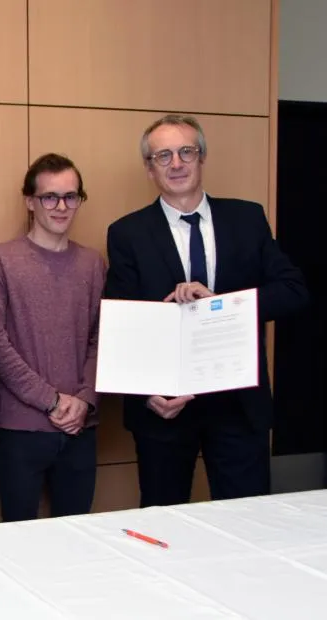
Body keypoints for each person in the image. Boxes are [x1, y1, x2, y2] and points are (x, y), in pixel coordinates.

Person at [104, 114, 308, 506]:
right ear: (149, 169)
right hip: (165, 406)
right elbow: (120, 321)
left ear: (202, 158)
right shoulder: (127, 233)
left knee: (248, 523)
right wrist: (146, 393)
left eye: (186, 151)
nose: (176, 163)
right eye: (163, 156)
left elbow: (293, 291)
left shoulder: (247, 218)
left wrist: (219, 305)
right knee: (166, 526)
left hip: (237, 403)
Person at [0, 153, 104, 522]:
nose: (61, 206)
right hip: (22, 428)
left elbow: (103, 338)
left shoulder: (94, 263)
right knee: (18, 544)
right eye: (50, 197)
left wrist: (84, 400)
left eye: (71, 196)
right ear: (30, 202)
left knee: (79, 540)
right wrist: (50, 401)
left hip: (82, 426)